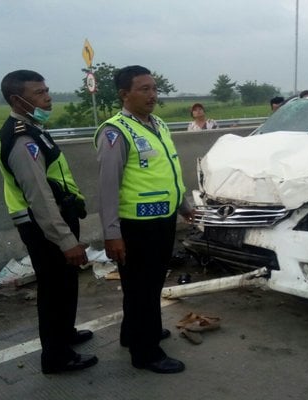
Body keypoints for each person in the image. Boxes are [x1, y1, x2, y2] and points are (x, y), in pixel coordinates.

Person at [94, 65, 194, 374]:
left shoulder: (158, 124)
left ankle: (134, 333)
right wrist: (112, 234)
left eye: (154, 88)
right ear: (125, 94)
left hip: (162, 221)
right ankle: (146, 352)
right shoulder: (115, 132)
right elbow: (108, 188)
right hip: (136, 226)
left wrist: (183, 205)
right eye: (144, 89)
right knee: (140, 288)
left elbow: (168, 171)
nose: (153, 95)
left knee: (148, 286)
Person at [0, 70, 97, 374]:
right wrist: (66, 240)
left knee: (65, 285)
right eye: (39, 92)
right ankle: (56, 357)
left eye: (47, 90)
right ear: (17, 99)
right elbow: (39, 196)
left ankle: (65, 335)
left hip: (56, 219)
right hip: (44, 227)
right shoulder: (22, 136)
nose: (48, 96)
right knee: (54, 291)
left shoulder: (34, 127)